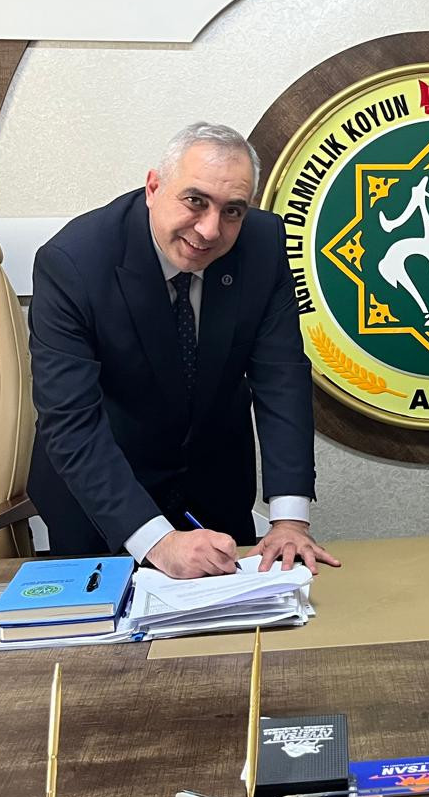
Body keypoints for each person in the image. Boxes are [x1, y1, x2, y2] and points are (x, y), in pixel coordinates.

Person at [28, 123, 338, 579]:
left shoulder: (263, 244)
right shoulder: (74, 262)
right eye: (195, 200)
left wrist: (289, 520)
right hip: (104, 502)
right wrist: (156, 540)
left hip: (215, 493)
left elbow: (282, 377)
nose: (210, 230)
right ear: (154, 187)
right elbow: (70, 422)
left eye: (233, 210)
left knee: (234, 622)